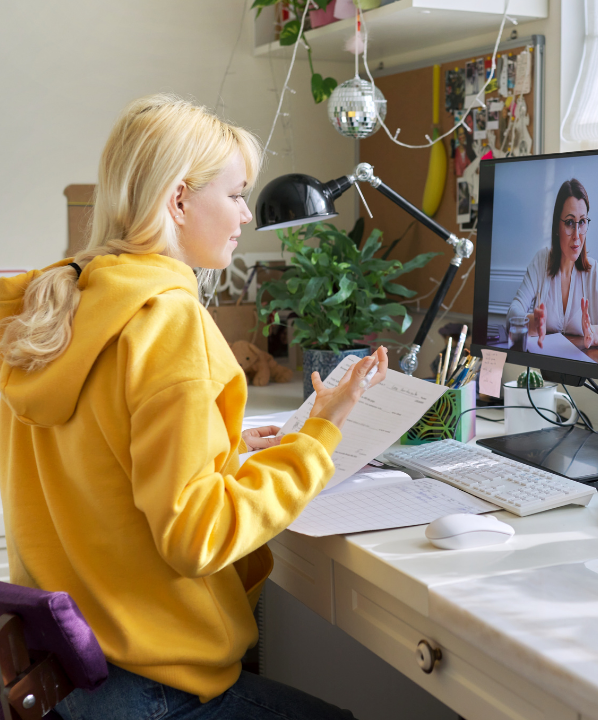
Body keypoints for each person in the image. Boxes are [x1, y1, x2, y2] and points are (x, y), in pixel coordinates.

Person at [0, 94, 382, 720]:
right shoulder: (168, 321)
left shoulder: (55, 305)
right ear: (179, 200)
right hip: (154, 688)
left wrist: (223, 454)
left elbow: (103, 472)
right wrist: (317, 436)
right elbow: (196, 537)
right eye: (235, 195)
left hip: (75, 685)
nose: (245, 216)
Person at [506, 178, 598, 351]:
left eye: (582, 222)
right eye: (569, 222)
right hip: (543, 368)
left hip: (581, 372)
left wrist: (595, 333)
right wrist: (532, 323)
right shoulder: (541, 261)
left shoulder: (596, 274)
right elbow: (511, 315)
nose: (576, 235)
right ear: (556, 227)